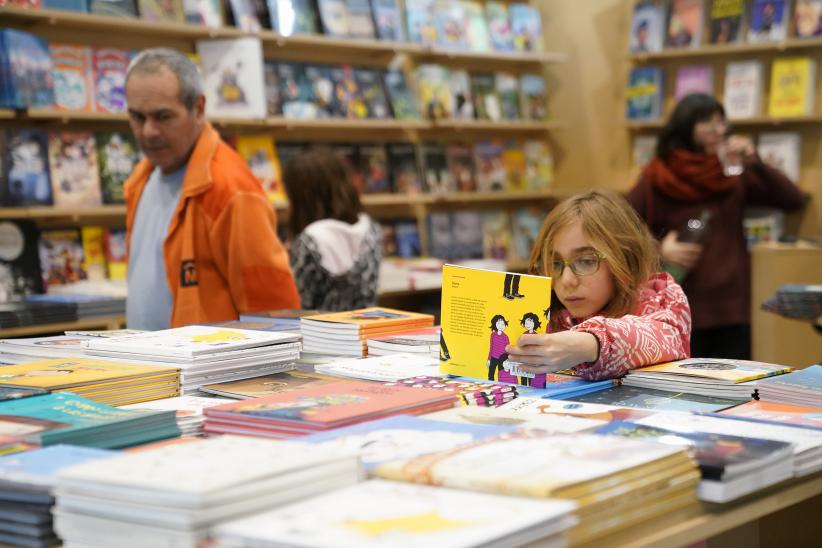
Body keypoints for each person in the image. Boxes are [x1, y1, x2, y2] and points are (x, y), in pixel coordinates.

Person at [123, 48, 300, 330]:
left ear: (199, 109)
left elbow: (275, 314)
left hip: (208, 372)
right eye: (137, 117)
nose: (148, 132)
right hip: (149, 369)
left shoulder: (229, 188)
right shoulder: (140, 180)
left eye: (164, 116)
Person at [626, 94, 804, 359]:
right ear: (686, 127)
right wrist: (660, 249)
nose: (719, 131)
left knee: (738, 391)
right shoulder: (658, 175)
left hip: (733, 306)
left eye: (722, 123)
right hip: (678, 304)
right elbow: (619, 226)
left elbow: (793, 199)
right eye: (709, 124)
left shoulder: (732, 172)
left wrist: (755, 161)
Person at [506, 189, 692, 381]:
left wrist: (590, 343)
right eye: (554, 264)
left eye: (586, 261)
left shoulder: (660, 297)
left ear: (624, 258)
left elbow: (666, 337)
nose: (567, 280)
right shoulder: (542, 314)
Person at [283, 147, 381, 311]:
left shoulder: (309, 242)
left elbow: (298, 307)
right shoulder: (372, 230)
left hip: (320, 334)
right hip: (365, 330)